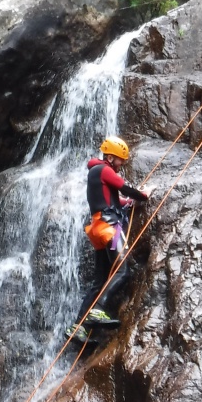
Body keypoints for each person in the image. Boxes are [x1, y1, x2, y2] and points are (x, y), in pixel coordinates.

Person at [68, 136, 151, 342]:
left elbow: (116, 199)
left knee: (99, 281)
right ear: (111, 156)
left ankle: (78, 327)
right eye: (120, 160)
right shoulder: (104, 170)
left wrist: (129, 202)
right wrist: (143, 195)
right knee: (123, 271)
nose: (121, 164)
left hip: (97, 229)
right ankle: (99, 309)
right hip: (109, 228)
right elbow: (126, 189)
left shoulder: (95, 174)